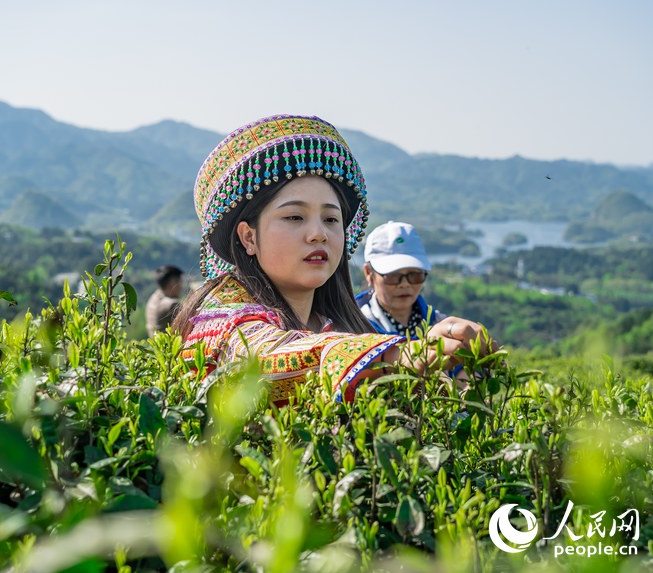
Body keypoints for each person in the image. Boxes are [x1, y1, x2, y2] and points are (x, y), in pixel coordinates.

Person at [174, 115, 495, 406]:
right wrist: (404, 355)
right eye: (295, 217)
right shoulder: (221, 317)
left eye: (331, 219)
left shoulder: (337, 323)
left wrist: (460, 375)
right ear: (249, 237)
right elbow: (262, 357)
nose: (318, 234)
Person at [356, 221, 446, 335]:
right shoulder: (353, 330)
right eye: (393, 275)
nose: (404, 284)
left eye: (414, 275)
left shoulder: (440, 325)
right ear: (369, 273)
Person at [146, 264, 184, 337]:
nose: (181, 287)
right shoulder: (171, 305)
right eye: (180, 282)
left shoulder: (153, 298)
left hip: (156, 345)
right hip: (170, 346)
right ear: (172, 283)